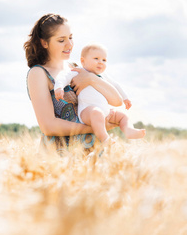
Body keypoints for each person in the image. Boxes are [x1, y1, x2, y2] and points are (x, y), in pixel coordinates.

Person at [24, 13, 123, 154]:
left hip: (95, 151)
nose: (69, 44)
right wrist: (97, 127)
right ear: (44, 43)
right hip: (61, 155)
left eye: (70, 37)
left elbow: (117, 100)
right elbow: (48, 126)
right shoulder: (38, 73)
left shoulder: (76, 68)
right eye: (61, 40)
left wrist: (91, 78)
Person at [54, 43, 146, 144]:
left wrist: (125, 98)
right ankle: (105, 138)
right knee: (96, 113)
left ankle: (129, 130)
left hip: (106, 112)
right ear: (83, 61)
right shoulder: (78, 72)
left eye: (104, 60)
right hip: (87, 111)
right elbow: (63, 77)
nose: (100, 62)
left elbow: (115, 85)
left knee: (123, 116)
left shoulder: (103, 75)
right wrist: (59, 87)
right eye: (96, 58)